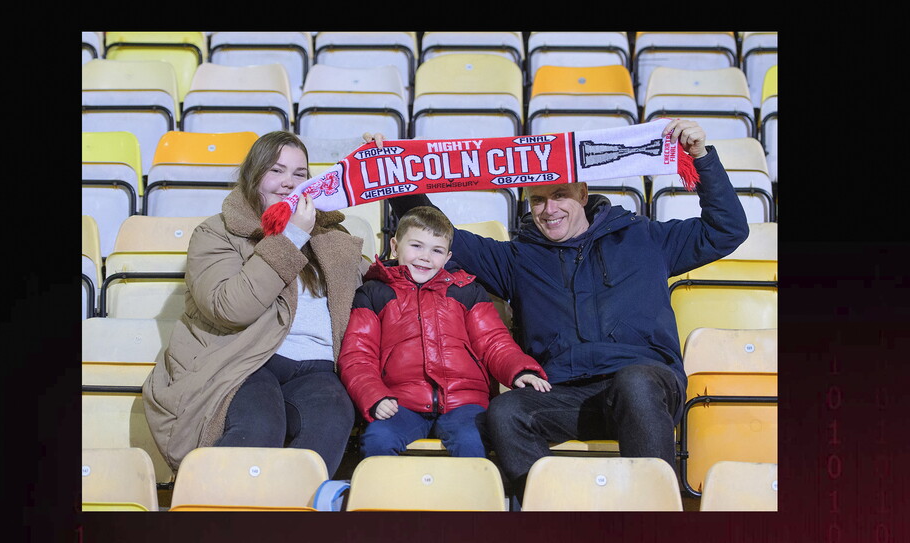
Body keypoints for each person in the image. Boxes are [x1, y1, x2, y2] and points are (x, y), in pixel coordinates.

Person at [369, 119, 750, 508]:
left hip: (645, 390)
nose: (549, 209)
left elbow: (727, 229)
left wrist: (701, 158)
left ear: (583, 193)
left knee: (635, 383)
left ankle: (652, 513)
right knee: (505, 412)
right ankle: (553, 512)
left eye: (560, 195)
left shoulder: (645, 236)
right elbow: (442, 237)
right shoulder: (518, 257)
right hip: (568, 396)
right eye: (537, 199)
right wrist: (391, 167)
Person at [142, 131, 369, 478]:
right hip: (247, 361)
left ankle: (285, 518)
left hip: (318, 368)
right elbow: (230, 307)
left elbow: (404, 271)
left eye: (299, 173)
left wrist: (388, 169)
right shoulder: (218, 233)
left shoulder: (331, 238)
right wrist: (291, 238)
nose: (288, 183)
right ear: (253, 174)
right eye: (276, 171)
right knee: (260, 427)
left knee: (332, 420)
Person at [337, 205, 551, 458]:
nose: (426, 257)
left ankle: (469, 498)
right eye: (416, 246)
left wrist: (520, 370)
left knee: (472, 440)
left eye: (436, 250)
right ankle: (391, 497)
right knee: (379, 439)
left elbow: (494, 342)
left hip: (465, 402)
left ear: (448, 257)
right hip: (399, 402)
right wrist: (374, 396)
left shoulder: (467, 291)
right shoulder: (375, 293)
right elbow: (358, 356)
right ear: (394, 246)